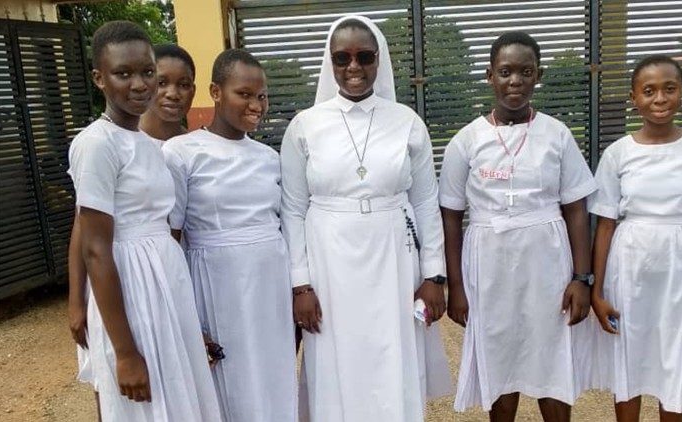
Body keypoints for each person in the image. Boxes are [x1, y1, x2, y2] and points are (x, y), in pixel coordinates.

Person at [280, 15, 451, 422]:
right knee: (336, 359)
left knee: (392, 353)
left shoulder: (407, 122)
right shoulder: (304, 126)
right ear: (330, 61)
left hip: (392, 256)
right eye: (341, 58)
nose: (353, 67)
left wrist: (434, 277)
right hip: (328, 260)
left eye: (363, 56)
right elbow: (292, 209)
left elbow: (427, 202)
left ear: (379, 60)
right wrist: (300, 284)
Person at [66, 20, 220, 422]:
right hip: (128, 284)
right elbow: (95, 247)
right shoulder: (97, 144)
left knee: (175, 391)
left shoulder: (147, 144)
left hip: (163, 278)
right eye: (123, 73)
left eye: (146, 72)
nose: (140, 84)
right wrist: (126, 352)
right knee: (143, 398)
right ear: (100, 78)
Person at [439, 31, 597, 422]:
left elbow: (577, 208)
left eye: (525, 72)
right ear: (489, 75)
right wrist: (456, 286)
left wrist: (582, 277)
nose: (515, 81)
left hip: (547, 260)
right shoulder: (467, 140)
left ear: (538, 75)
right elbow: (451, 216)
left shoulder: (557, 134)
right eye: (505, 71)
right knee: (499, 354)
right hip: (488, 263)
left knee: (550, 355)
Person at [589, 55, 682, 421]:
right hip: (629, 264)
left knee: (676, 358)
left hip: (680, 265)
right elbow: (605, 224)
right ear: (633, 98)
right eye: (649, 91)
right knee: (628, 355)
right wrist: (597, 291)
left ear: (681, 93)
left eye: (669, 89)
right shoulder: (617, 153)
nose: (660, 99)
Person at [161, 49, 297, 421]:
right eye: (244, 94)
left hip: (270, 281)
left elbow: (284, 224)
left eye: (262, 95)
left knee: (273, 376)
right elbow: (171, 239)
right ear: (216, 92)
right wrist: (186, 317)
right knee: (231, 380)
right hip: (217, 285)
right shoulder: (181, 153)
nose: (256, 104)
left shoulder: (269, 157)